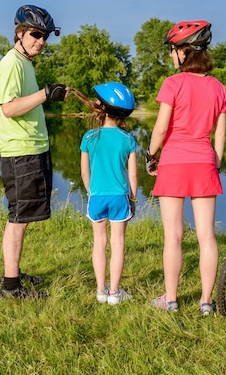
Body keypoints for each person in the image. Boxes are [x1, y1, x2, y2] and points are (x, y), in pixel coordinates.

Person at [146, 20, 226, 315]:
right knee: (207, 235)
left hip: (174, 161)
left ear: (185, 52)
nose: (171, 56)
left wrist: (150, 155)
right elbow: (220, 134)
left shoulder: (173, 84)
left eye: (173, 50)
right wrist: (214, 163)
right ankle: (206, 301)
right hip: (204, 160)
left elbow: (159, 129)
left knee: (174, 236)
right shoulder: (218, 87)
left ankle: (171, 300)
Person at [0, 4, 68, 299]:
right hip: (20, 152)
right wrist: (44, 94)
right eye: (36, 34)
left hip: (33, 149)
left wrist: (48, 95)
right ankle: (11, 287)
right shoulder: (11, 63)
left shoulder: (25, 63)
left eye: (45, 36)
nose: (41, 41)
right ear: (20, 33)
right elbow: (9, 108)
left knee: (23, 217)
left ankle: (14, 272)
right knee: (19, 217)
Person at [75, 82, 138, 305]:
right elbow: (132, 176)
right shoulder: (128, 140)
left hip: (97, 196)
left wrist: (91, 191)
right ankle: (115, 293)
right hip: (120, 196)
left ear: (102, 109)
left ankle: (101, 291)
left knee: (99, 242)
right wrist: (132, 198)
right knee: (118, 243)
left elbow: (84, 171)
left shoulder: (89, 138)